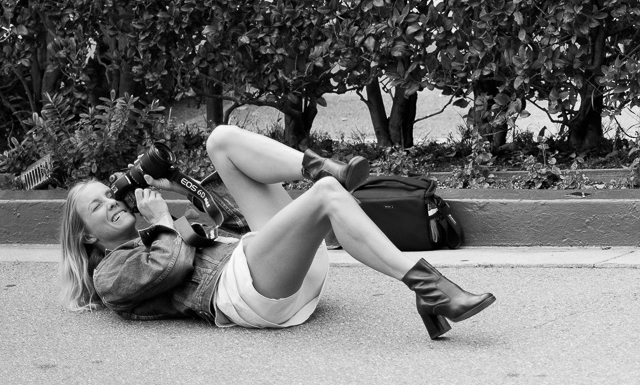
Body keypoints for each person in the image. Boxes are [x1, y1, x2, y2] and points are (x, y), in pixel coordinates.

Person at [60, 125, 495, 339]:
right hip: (250, 297)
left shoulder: (155, 236)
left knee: (221, 141)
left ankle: (321, 166)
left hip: (277, 272)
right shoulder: (110, 275)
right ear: (87, 238)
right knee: (325, 197)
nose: (114, 202)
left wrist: (179, 185)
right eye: (98, 206)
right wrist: (159, 224)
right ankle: (431, 289)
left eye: (110, 194)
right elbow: (169, 269)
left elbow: (234, 223)